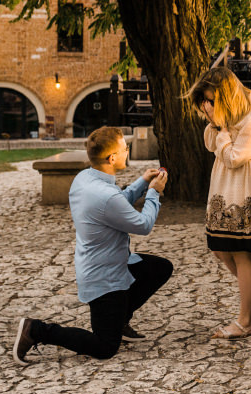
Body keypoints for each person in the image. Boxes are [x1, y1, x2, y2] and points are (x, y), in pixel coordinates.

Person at [13, 127, 171, 363]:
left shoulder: (86, 177)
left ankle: (119, 319)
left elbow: (115, 205)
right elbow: (143, 224)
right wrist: (153, 193)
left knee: (159, 268)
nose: (127, 151)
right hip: (105, 278)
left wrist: (141, 183)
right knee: (105, 347)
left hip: (109, 263)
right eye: (124, 148)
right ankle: (35, 330)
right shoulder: (105, 195)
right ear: (112, 158)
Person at [190, 66, 251, 339]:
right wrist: (217, 124)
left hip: (245, 187)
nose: (209, 106)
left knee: (241, 252)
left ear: (226, 95)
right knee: (221, 249)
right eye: (206, 102)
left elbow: (234, 157)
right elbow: (209, 144)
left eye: (212, 100)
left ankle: (244, 321)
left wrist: (222, 128)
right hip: (225, 187)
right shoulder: (227, 116)